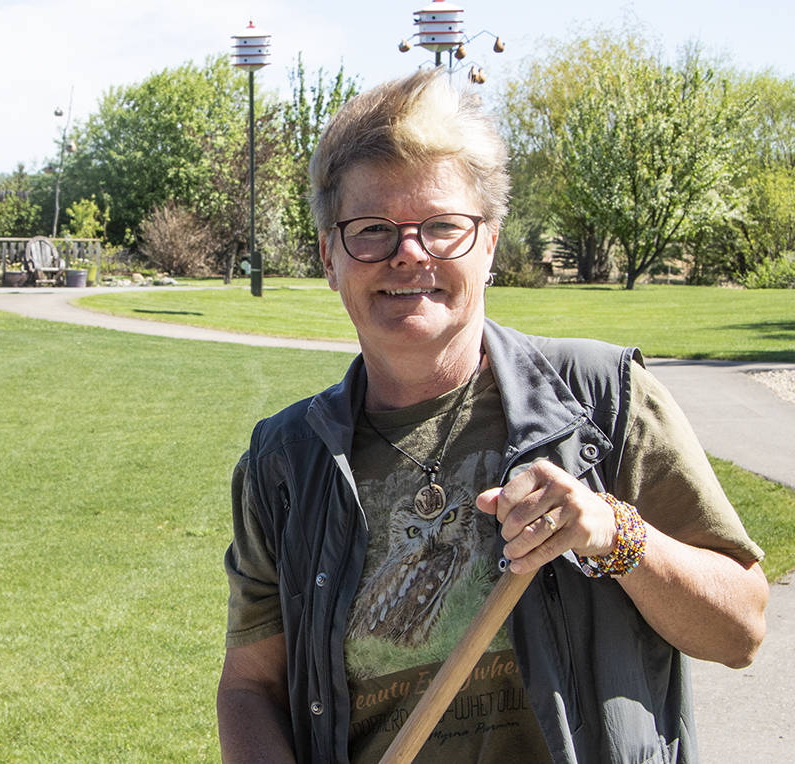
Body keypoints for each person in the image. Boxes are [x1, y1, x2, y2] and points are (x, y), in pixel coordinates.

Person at [216, 70, 768, 764]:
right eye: (372, 230)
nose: (409, 252)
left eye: (443, 226)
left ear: (490, 245)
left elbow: (740, 629)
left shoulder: (602, 400)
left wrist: (613, 531)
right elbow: (250, 687)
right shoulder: (284, 462)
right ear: (330, 255)